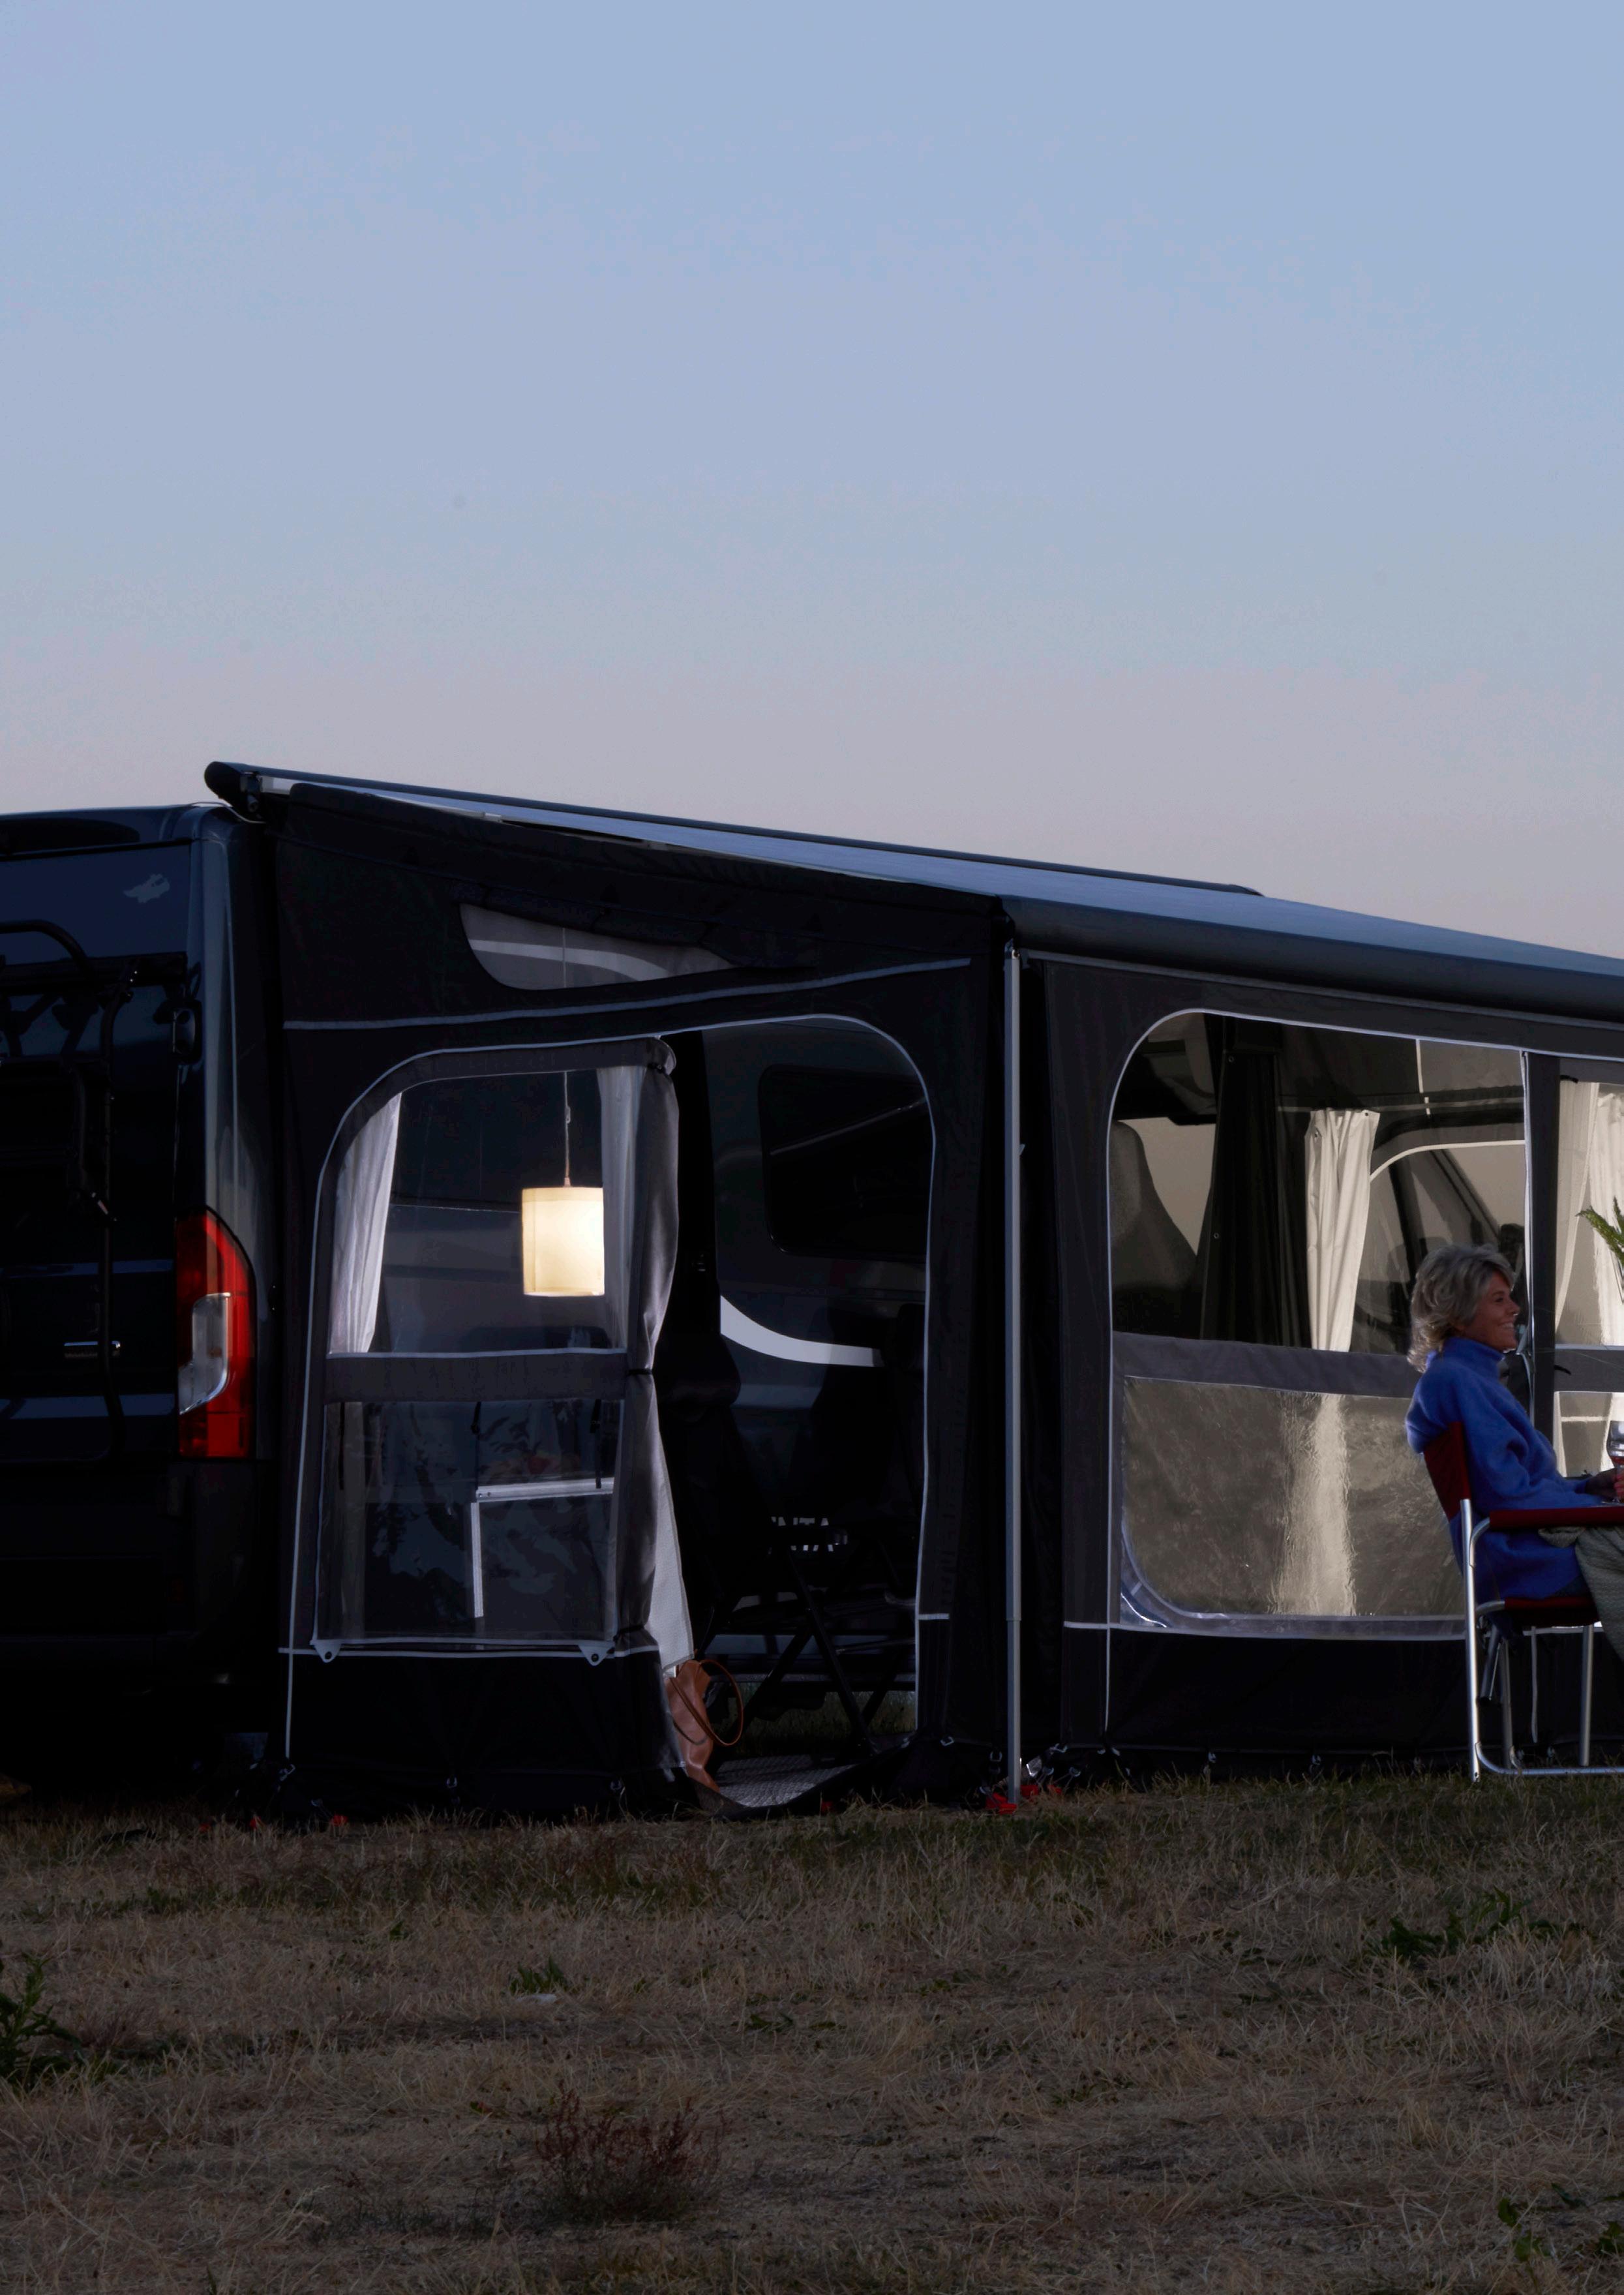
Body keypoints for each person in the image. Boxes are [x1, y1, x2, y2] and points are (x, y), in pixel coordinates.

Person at [1405, 1241, 1624, 1649]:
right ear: (1459, 1313)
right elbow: (1508, 1499)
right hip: (1527, 1562)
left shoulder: (1468, 1379)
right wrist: (1599, 1509)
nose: (1515, 1309)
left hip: (1524, 1550)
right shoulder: (1456, 1383)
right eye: (1499, 1300)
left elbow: (1513, 1487)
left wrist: (1586, 1487)